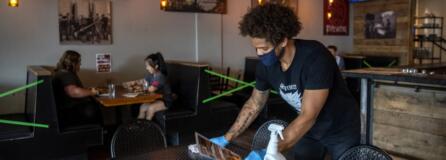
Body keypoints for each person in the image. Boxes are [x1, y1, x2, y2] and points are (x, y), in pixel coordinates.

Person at [209, 3, 359, 160]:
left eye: (265, 49)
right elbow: (254, 103)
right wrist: (226, 138)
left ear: (283, 40)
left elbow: (308, 115)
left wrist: (268, 152)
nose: (260, 53)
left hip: (340, 127)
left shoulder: (315, 57)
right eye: (256, 48)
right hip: (307, 129)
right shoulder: (266, 66)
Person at [53, 50, 102, 128]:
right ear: (73, 63)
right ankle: (101, 133)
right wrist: (93, 92)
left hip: (67, 110)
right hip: (73, 111)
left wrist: (88, 90)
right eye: (79, 61)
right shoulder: (66, 74)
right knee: (98, 108)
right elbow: (73, 92)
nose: (80, 64)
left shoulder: (61, 72)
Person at [125, 52, 173, 120]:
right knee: (142, 107)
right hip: (156, 99)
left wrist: (138, 87)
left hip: (166, 101)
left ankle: (148, 128)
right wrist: (132, 83)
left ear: (156, 66)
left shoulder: (160, 77)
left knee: (151, 108)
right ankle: (139, 126)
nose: (146, 68)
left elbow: (151, 89)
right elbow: (143, 81)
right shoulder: (151, 75)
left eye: (148, 66)